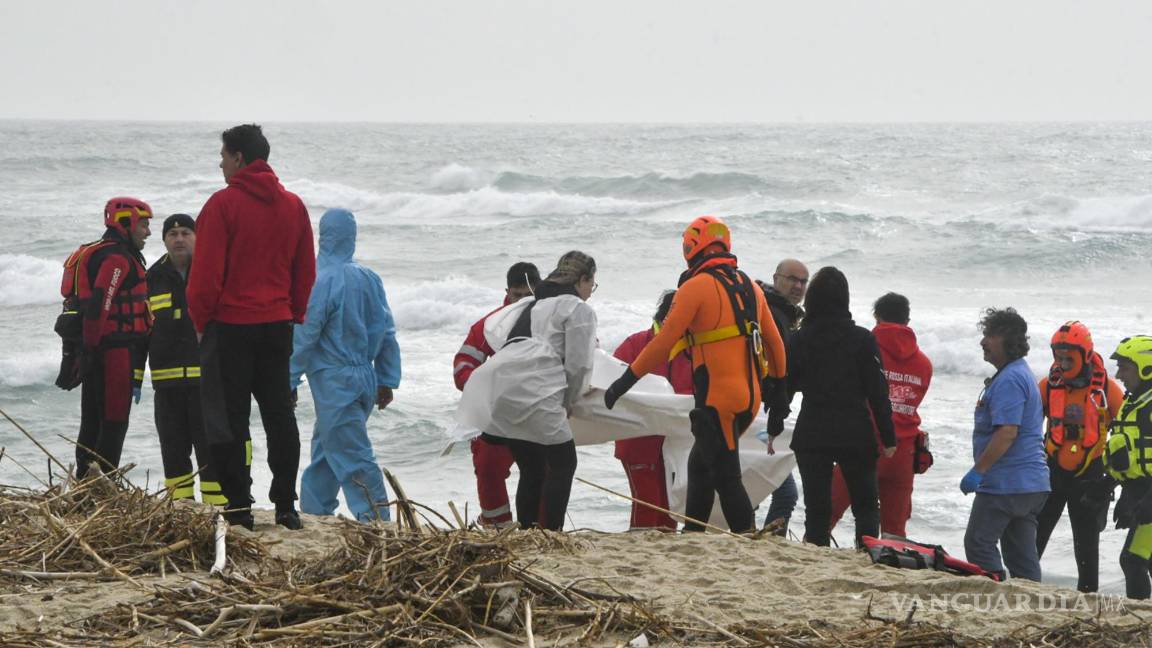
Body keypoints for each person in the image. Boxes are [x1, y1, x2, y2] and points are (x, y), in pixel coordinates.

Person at [605, 216, 786, 534]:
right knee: (699, 466)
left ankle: (747, 538)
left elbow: (663, 342)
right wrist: (779, 389)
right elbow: (774, 342)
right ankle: (693, 534)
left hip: (718, 400)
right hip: (749, 398)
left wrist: (624, 381)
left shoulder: (695, 286)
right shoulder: (750, 287)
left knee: (727, 476)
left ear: (691, 248)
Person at [187, 124, 316, 530]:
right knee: (279, 414)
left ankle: (239, 506)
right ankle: (285, 506)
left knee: (229, 419)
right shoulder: (293, 205)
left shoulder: (222, 205)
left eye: (223, 155)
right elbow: (305, 271)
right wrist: (292, 311)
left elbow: (206, 275)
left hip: (230, 326)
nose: (220, 162)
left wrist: (200, 321)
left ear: (239, 158)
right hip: (277, 324)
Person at [289, 208, 401, 523]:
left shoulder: (320, 279)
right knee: (327, 449)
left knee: (352, 455)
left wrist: (289, 378)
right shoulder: (369, 277)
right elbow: (388, 331)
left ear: (322, 236)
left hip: (334, 380)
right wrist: (387, 378)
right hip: (365, 375)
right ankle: (314, 511)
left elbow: (305, 334)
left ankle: (376, 520)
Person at [771, 267, 896, 547]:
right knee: (865, 504)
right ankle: (867, 554)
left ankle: (816, 554)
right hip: (855, 431)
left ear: (812, 298)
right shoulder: (862, 339)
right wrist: (888, 437)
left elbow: (786, 388)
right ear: (845, 300)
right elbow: (878, 391)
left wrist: (773, 427)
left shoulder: (801, 338)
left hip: (813, 430)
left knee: (817, 508)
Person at [479, 251, 598, 531]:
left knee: (532, 469)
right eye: (593, 283)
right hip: (537, 392)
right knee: (564, 464)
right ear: (583, 279)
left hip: (502, 388)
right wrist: (569, 402)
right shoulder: (578, 309)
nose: (592, 290)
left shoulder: (533, 305)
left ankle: (528, 532)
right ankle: (551, 533)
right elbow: (579, 365)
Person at [828, 292, 932, 540]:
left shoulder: (863, 349)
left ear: (877, 317)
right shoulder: (924, 364)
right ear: (907, 320)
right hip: (904, 452)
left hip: (863, 445)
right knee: (894, 531)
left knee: (827, 513)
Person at [64, 198, 153, 478]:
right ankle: (102, 484)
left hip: (94, 351)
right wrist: (91, 348)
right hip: (113, 352)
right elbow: (101, 303)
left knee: (91, 420)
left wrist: (86, 352)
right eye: (145, 225)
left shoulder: (101, 252)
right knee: (114, 421)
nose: (148, 232)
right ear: (126, 223)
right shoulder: (116, 259)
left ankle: (84, 482)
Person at [1035, 321, 1123, 593]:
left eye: (1068, 357)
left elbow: (1127, 436)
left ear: (1085, 355)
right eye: (1057, 356)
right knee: (1034, 536)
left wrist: (1114, 479)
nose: (1061, 362)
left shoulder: (1109, 391)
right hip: (1051, 472)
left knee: (1086, 544)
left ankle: (1088, 596)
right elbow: (1026, 430)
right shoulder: (1046, 387)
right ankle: (1020, 586)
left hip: (1091, 475)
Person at [961, 308, 1049, 581]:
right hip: (1032, 484)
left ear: (1008, 340)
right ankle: (1030, 602)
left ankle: (994, 591)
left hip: (1007, 483)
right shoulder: (1019, 373)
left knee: (978, 543)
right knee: (1022, 556)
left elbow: (1007, 432)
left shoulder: (1011, 379)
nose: (983, 341)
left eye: (990, 335)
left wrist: (979, 471)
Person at [453, 262, 541, 527]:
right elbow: (463, 365)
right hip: (499, 412)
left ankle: (540, 527)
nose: (523, 301)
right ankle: (497, 525)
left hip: (539, 409)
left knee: (545, 471)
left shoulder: (552, 319)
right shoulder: (491, 324)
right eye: (517, 295)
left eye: (529, 295)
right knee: (488, 464)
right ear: (507, 292)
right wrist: (484, 388)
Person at [145, 214, 225, 505]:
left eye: (185, 232)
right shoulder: (151, 278)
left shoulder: (212, 272)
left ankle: (218, 509)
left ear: (197, 237)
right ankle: (181, 509)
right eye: (172, 233)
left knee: (211, 451)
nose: (178, 238)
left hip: (206, 383)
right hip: (166, 386)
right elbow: (142, 331)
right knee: (173, 450)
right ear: (164, 239)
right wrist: (134, 377)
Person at [611, 290, 692, 530]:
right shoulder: (636, 344)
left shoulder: (693, 349)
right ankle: (637, 552)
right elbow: (611, 384)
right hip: (638, 441)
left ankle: (661, 557)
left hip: (676, 444)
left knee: (671, 509)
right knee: (647, 503)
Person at [756, 259, 808, 535]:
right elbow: (778, 371)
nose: (798, 286)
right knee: (785, 493)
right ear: (776, 278)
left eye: (803, 282)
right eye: (792, 279)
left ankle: (753, 539)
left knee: (753, 482)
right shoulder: (773, 314)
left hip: (762, 414)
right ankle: (765, 542)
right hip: (759, 416)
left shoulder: (783, 313)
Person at [1103, 335, 1152, 599]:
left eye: (1125, 367)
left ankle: (1139, 618)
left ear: (1145, 367)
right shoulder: (1134, 402)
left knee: (1132, 559)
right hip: (1139, 491)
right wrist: (1107, 484)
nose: (1118, 374)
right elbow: (1129, 453)